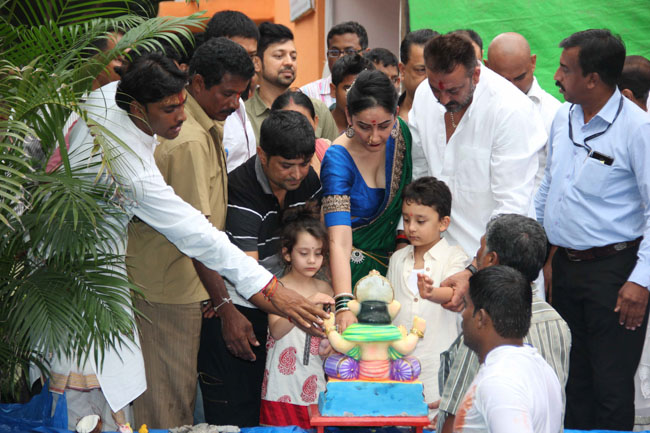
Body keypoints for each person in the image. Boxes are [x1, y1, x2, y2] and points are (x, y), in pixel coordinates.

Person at [53, 53, 329, 431]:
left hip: (111, 273)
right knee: (86, 406)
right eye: (169, 109)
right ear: (137, 108)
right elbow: (198, 234)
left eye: (182, 103)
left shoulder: (117, 94)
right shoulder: (134, 168)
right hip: (79, 280)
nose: (181, 116)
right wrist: (273, 290)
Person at [124, 38, 255, 428]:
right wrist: (225, 305)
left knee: (178, 403)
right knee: (166, 412)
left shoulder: (201, 128)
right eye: (227, 93)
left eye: (240, 95)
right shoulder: (189, 140)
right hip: (167, 293)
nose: (235, 103)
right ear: (197, 83)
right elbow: (196, 235)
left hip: (182, 288)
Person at [535, 29, 650, 430]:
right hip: (565, 268)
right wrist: (537, 247)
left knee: (610, 387)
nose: (556, 77)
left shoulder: (637, 128)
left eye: (565, 69)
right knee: (571, 380)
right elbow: (549, 185)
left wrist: (641, 281)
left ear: (593, 79)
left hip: (615, 275)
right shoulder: (563, 116)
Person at [197, 110, 326, 427]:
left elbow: (315, 236)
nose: (297, 174)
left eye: (304, 163)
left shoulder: (309, 181)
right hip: (243, 308)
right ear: (262, 155)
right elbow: (248, 277)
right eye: (287, 165)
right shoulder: (241, 190)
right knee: (236, 415)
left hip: (285, 307)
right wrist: (228, 309)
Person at [409, 33, 545, 303]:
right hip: (438, 261)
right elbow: (420, 174)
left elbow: (511, 208)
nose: (444, 99)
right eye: (437, 90)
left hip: (495, 266)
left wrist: (473, 268)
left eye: (453, 91)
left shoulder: (510, 109)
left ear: (477, 74)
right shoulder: (424, 94)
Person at [427, 214, 571, 432]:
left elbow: (454, 418)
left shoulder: (487, 333)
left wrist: (456, 410)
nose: (464, 315)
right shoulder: (558, 323)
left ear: (491, 260)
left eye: (479, 252)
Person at [320, 69, 412, 332]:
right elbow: (339, 239)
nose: (374, 137)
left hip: (397, 268)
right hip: (352, 275)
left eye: (384, 125)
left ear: (396, 114)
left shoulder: (402, 135)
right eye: (363, 126)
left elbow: (409, 200)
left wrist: (401, 254)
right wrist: (343, 303)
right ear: (349, 116)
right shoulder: (337, 159)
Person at [386, 177, 467, 423]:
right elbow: (388, 306)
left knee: (434, 422)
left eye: (421, 221)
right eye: (406, 219)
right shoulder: (397, 259)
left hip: (436, 364)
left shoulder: (454, 256)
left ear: (444, 223)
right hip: (398, 365)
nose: (411, 228)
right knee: (399, 421)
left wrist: (432, 293)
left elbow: (454, 293)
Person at [452, 266, 563, 433]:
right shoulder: (541, 368)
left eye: (466, 306)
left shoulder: (498, 382)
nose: (462, 314)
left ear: (481, 318)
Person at [259, 204, 333, 428]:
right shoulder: (277, 288)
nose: (312, 260)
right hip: (282, 385)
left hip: (315, 380)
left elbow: (332, 332)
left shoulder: (326, 288)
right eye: (304, 253)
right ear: (287, 253)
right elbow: (276, 331)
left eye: (318, 253)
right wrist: (307, 303)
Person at [486, 32, 562, 188]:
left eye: (519, 78)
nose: (512, 87)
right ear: (487, 67)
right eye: (504, 80)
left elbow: (557, 177)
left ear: (533, 62)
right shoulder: (475, 109)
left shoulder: (554, 113)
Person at [245, 22, 338, 143]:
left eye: (293, 57)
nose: (289, 62)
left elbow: (334, 153)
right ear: (257, 63)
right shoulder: (244, 115)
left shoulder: (317, 109)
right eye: (279, 56)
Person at [205, 10, 260, 172]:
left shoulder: (239, 102)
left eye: (252, 56)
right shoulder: (196, 110)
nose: (247, 64)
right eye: (239, 54)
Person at [300, 21, 369, 107]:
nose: (341, 57)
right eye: (334, 52)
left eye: (350, 52)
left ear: (366, 54)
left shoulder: (376, 91)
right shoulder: (307, 95)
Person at [271, 90, 330, 175]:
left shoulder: (327, 149)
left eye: (303, 122)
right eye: (289, 124)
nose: (297, 130)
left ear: (315, 122)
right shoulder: (268, 161)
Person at [398, 29, 439, 122]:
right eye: (421, 70)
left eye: (436, 69)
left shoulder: (454, 119)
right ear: (402, 70)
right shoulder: (386, 117)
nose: (430, 78)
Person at [329, 54, 376, 134]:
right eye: (348, 89)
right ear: (333, 90)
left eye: (363, 90)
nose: (356, 96)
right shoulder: (319, 124)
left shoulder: (379, 127)